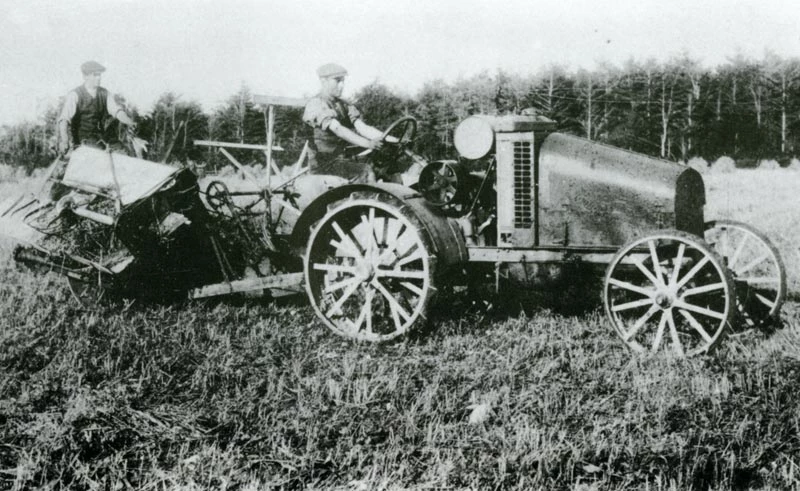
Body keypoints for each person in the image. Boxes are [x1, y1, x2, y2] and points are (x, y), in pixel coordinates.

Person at [302, 63, 388, 183]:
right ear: (323, 81)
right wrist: (368, 143)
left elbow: (362, 127)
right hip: (323, 166)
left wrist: (391, 139)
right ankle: (366, 200)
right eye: (337, 81)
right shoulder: (316, 104)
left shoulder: (342, 105)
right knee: (365, 171)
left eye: (343, 81)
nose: (342, 85)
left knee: (385, 166)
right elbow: (338, 129)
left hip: (341, 161)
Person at [57, 61, 137, 155]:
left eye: (99, 75)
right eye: (95, 75)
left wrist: (129, 122)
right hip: (84, 141)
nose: (99, 78)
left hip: (102, 138)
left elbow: (117, 111)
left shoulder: (104, 93)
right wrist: (65, 141)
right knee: (99, 155)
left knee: (123, 152)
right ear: (85, 76)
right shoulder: (75, 95)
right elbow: (64, 120)